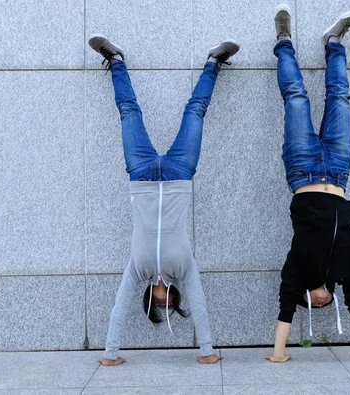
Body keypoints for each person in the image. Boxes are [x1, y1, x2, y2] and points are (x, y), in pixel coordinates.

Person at [88, 34, 240, 365]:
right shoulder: (185, 272)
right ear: (175, 298)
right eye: (169, 305)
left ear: (150, 299)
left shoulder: (136, 271)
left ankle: (116, 60)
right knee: (195, 112)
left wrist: (110, 354)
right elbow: (198, 304)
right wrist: (207, 352)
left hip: (141, 175)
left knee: (128, 111)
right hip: (179, 174)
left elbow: (119, 305)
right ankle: (213, 62)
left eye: (159, 305)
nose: (164, 301)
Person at [263, 5, 350, 363]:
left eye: (313, 305)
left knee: (296, 99)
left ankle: (283, 40)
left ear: (305, 299)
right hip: (338, 172)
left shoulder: (297, 270)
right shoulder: (345, 271)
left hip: (302, 172)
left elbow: (285, 310)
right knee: (341, 100)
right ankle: (333, 42)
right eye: (328, 303)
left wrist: (278, 355)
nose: (323, 303)